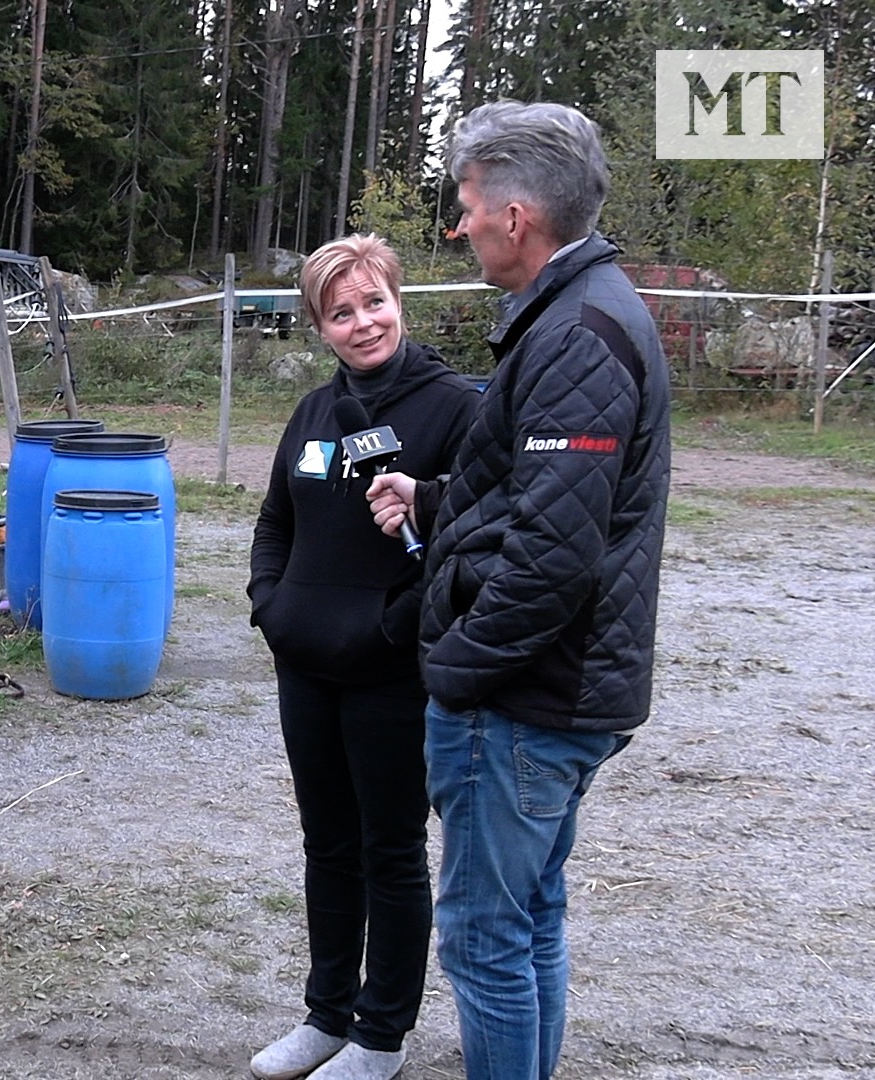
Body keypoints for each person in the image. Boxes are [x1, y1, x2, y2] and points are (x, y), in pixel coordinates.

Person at [365, 101, 671, 1080]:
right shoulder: (576, 313)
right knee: (531, 915)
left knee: (485, 937)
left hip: (526, 701)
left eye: (465, 207)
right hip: (554, 690)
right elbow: (542, 497)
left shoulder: (578, 333)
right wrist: (433, 496)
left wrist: (456, 671)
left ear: (514, 216)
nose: (460, 227)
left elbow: (553, 555)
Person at [247, 234, 480, 1080]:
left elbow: (473, 540)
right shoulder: (315, 413)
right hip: (305, 663)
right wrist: (270, 605)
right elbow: (276, 520)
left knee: (391, 851)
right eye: (340, 312)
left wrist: (395, 626)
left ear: (398, 302)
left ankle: (381, 1037)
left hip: (390, 672)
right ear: (320, 327)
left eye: (374, 302)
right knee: (327, 845)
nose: (363, 323)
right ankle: (326, 1018)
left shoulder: (455, 408)